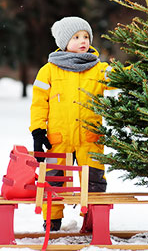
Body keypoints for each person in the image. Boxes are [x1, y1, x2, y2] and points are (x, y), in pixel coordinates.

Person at [29, 16, 110, 231]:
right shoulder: (49, 70)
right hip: (58, 139)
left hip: (90, 138)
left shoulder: (99, 69)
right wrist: (37, 131)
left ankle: (94, 219)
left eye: (86, 36)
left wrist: (141, 72)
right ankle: (52, 220)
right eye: (76, 37)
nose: (83, 40)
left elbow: (120, 76)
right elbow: (39, 103)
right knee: (54, 181)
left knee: (94, 181)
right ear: (64, 42)